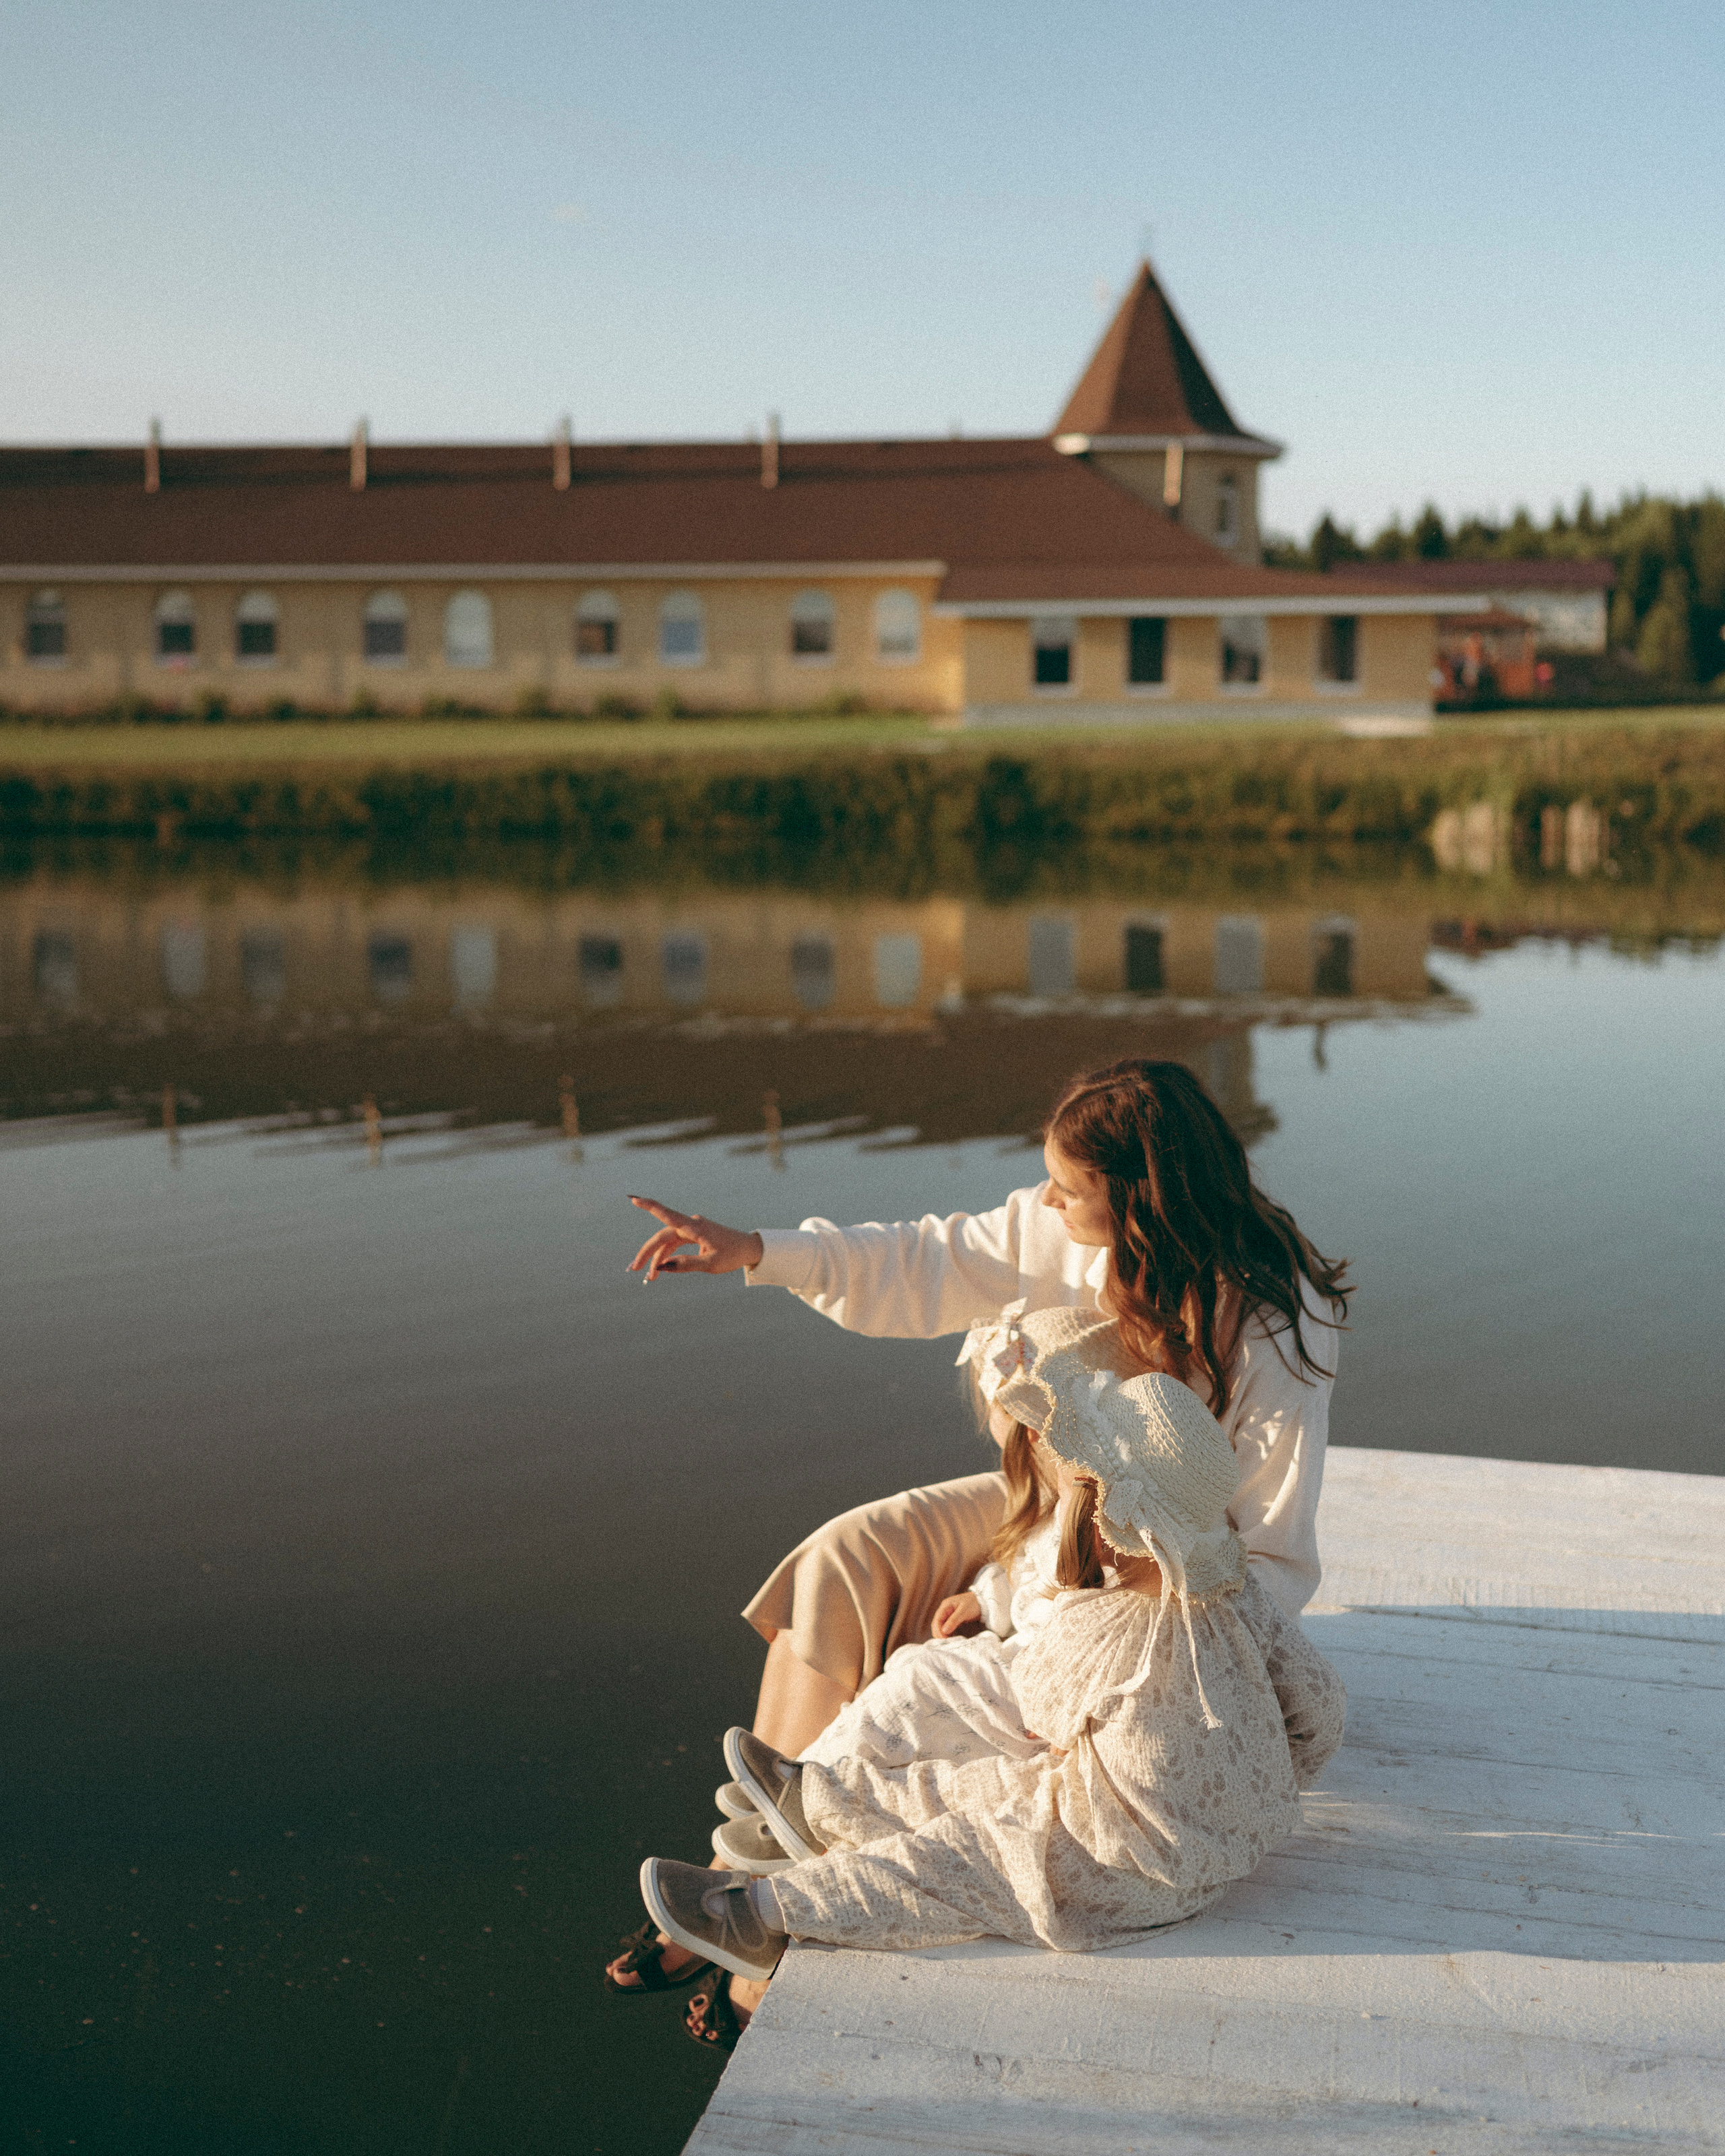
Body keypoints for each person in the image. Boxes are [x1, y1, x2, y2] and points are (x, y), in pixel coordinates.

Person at [606, 1058, 1350, 2036]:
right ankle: (745, 1871)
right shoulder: (1060, 1230)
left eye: (1070, 1188)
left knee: (943, 1716)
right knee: (844, 1557)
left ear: (1140, 1200)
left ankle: (757, 1936)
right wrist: (755, 1250)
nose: (1047, 1201)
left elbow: (1271, 1554)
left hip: (1155, 1582)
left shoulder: (1274, 1327)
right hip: (1051, 1512)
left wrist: (1091, 1652)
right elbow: (925, 1259)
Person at [637, 1304, 1347, 1979]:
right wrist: (1264, 1774)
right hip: (1228, 1840)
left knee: (964, 1855)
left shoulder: (1096, 1623)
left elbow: (1042, 1712)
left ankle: (762, 1913)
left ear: (1104, 1522)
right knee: (994, 1789)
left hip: (1130, 1869)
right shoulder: (1238, 1592)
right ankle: (820, 1801)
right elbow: (1320, 1712)